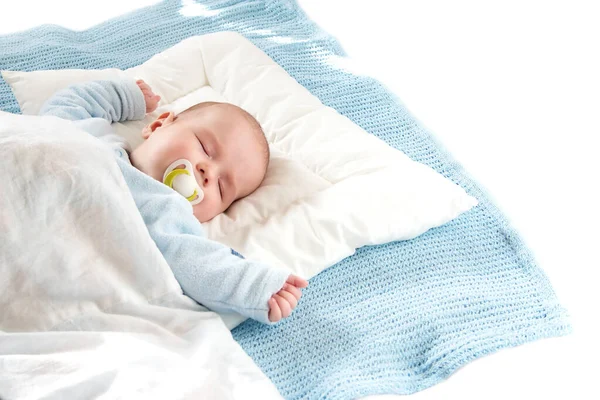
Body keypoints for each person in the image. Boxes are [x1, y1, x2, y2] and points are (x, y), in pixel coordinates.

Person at [39, 78, 308, 324]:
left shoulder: (166, 212)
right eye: (205, 147)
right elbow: (63, 110)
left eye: (222, 187)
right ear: (158, 125)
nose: (208, 173)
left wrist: (252, 285)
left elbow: (196, 265)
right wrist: (123, 97)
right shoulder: (98, 139)